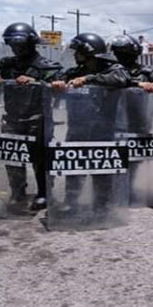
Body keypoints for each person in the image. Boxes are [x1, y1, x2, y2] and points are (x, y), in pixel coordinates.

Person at [51, 33, 131, 214]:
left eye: (77, 52)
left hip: (102, 127)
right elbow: (57, 78)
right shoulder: (75, 71)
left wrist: (89, 79)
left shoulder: (113, 68)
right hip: (77, 126)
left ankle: (102, 205)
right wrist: (56, 83)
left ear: (88, 52)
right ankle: (71, 202)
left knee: (102, 168)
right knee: (74, 166)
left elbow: (122, 79)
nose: (74, 55)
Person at [0, 22, 64, 211]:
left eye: (20, 44)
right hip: (12, 117)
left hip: (38, 118)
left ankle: (44, 193)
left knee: (40, 159)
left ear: (31, 44)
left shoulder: (47, 66)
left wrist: (37, 81)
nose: (16, 48)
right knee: (13, 157)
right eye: (13, 45)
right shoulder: (7, 64)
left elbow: (60, 87)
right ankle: (17, 192)